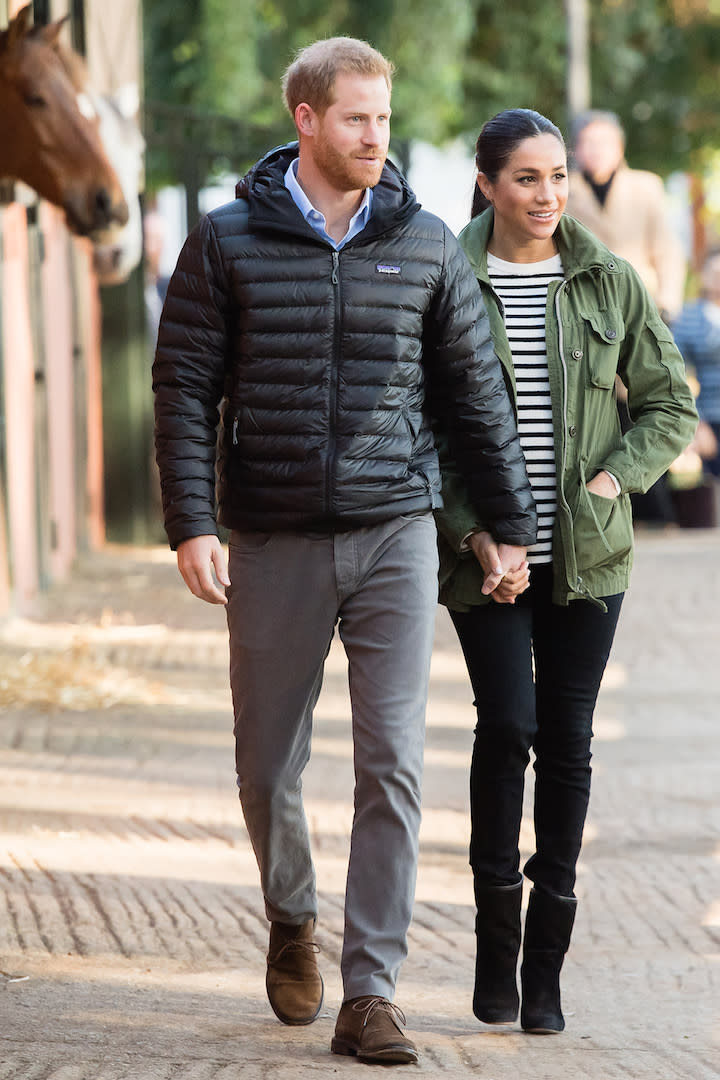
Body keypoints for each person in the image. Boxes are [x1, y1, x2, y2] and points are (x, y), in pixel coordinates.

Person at [152, 40, 536, 1065]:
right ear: (307, 119)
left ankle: (372, 992)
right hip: (271, 537)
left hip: (396, 532)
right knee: (265, 765)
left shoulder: (423, 244)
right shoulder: (226, 241)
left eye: (385, 118)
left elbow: (474, 394)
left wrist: (507, 526)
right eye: (358, 118)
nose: (379, 137)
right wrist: (193, 520)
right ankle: (291, 913)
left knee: (394, 765)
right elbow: (183, 387)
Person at [436, 108, 697, 1035]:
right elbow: (428, 432)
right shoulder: (449, 280)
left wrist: (607, 479)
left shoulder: (607, 279)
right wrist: (477, 537)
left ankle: (544, 970)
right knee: (505, 727)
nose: (547, 196)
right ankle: (492, 946)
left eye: (556, 177)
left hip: (589, 557)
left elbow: (671, 405)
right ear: (487, 184)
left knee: (569, 743)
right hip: (487, 563)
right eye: (526, 179)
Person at [673, 251, 720, 478]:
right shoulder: (689, 318)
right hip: (710, 417)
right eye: (714, 272)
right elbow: (679, 373)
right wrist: (698, 425)